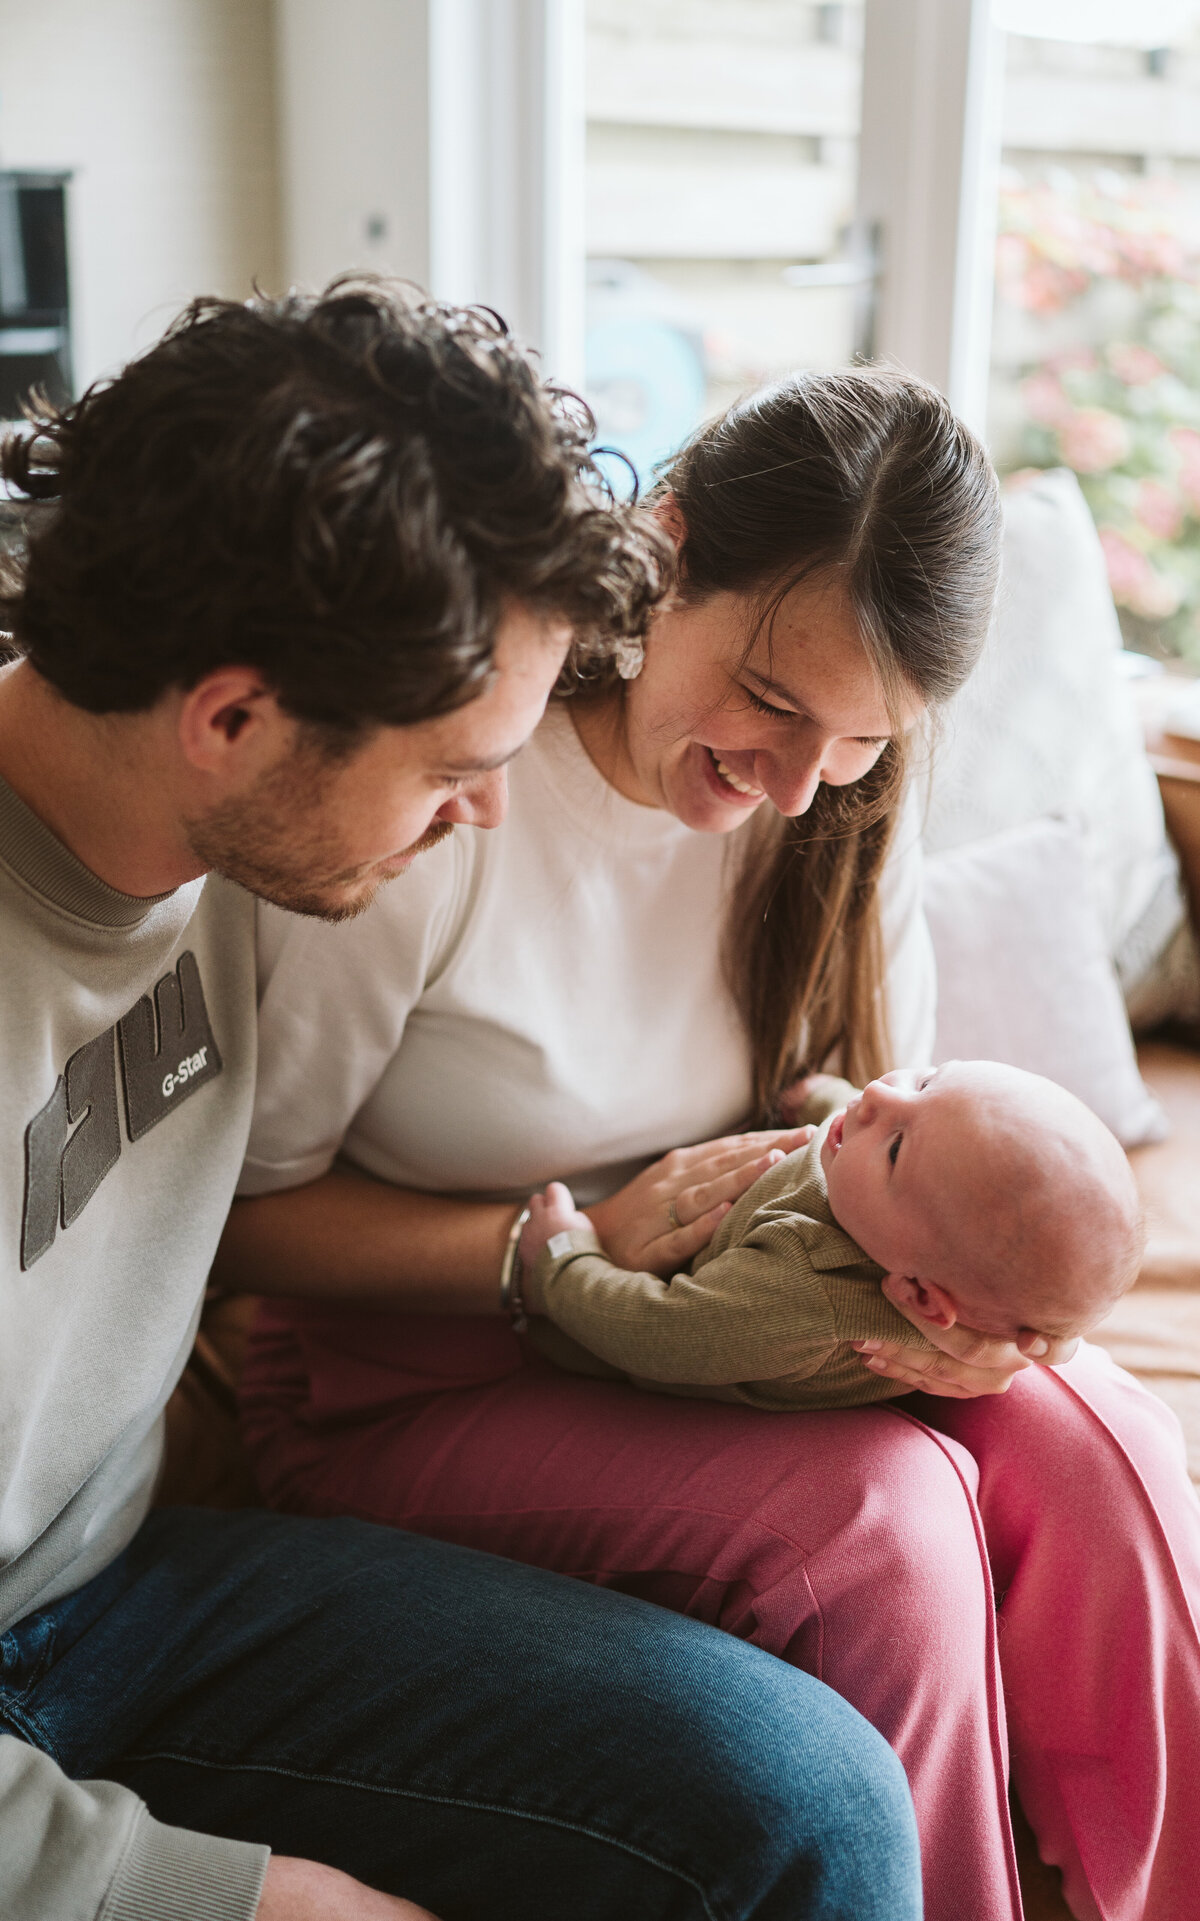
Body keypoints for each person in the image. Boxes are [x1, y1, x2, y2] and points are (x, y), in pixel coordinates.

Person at [223, 364, 1200, 1921]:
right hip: (408, 1365)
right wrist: (559, 1254)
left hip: (751, 1317)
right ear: (666, 550)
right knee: (883, 1529)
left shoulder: (834, 821)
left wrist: (977, 1334)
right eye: (774, 701)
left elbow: (881, 1146)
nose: (795, 782)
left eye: (861, 739)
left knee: (1103, 1447)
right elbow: (238, 1221)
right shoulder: (455, 792)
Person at [0, 283, 926, 1921]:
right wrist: (233, 1896)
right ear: (231, 717)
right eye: (450, 771)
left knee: (811, 1807)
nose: (493, 814)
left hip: (114, 1588)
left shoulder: (217, 843)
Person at [516, 1061, 1145, 1410]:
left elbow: (652, 1331)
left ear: (921, 1298)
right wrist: (827, 1097)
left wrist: (565, 1261)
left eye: (897, 1148)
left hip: (603, 1337)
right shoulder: (893, 1204)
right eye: (927, 1080)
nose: (878, 1093)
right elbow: (864, 1124)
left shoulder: (806, 1289)